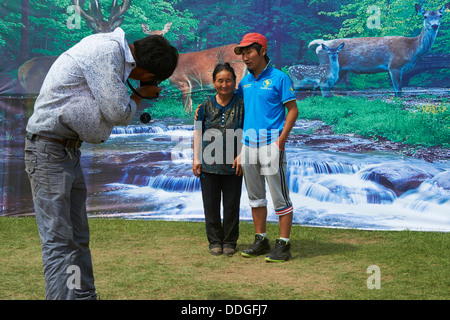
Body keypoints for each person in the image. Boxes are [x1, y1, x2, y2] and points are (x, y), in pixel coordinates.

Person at [24, 27, 178, 299]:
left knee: (77, 239)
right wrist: (139, 95)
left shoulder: (114, 54)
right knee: (59, 241)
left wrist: (130, 99)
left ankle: (82, 297)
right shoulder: (107, 51)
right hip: (49, 150)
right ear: (148, 74)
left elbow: (101, 126)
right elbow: (118, 113)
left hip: (66, 151)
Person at [234, 33, 298, 262]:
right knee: (255, 197)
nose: (244, 57)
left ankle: (284, 244)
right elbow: (244, 112)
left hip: (271, 145)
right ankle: (261, 240)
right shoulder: (245, 82)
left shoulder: (280, 78)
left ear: (262, 50)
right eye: (242, 52)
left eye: (249, 51)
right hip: (249, 146)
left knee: (280, 196)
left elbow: (293, 111)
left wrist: (281, 141)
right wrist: (241, 149)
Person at [193, 63, 245, 256]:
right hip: (208, 164)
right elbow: (198, 133)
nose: (225, 84)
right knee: (211, 205)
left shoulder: (242, 104)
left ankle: (230, 241)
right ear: (214, 82)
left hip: (234, 165)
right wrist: (196, 158)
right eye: (220, 80)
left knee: (232, 205)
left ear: (234, 81)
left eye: (228, 80)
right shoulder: (205, 106)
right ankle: (215, 240)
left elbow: (248, 131)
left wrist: (243, 155)